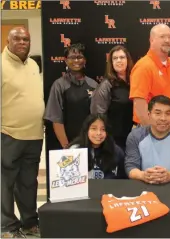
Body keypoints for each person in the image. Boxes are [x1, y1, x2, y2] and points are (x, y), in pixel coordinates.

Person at [1, 27, 44, 238]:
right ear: (8, 42)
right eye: (16, 38)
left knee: (28, 183)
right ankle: (7, 226)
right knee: (5, 183)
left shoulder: (34, 64)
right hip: (8, 134)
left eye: (25, 39)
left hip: (34, 136)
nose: (22, 42)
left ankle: (29, 223)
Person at [125, 95, 170, 184]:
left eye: (168, 113)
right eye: (158, 113)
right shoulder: (135, 136)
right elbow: (130, 166)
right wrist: (143, 175)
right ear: (149, 115)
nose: (163, 118)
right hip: (143, 186)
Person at [129, 24, 170, 128]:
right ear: (151, 40)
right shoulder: (143, 66)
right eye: (162, 37)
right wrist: (155, 134)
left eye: (169, 37)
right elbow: (139, 104)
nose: (167, 40)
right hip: (151, 131)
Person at [44, 43, 98, 149]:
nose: (76, 61)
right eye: (72, 57)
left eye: (79, 57)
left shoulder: (93, 85)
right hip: (66, 144)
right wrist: (67, 147)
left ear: (85, 60)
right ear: (65, 60)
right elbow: (56, 119)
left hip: (89, 142)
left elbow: (97, 117)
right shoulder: (59, 85)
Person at [90, 45, 134, 150]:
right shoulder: (106, 85)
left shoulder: (135, 81)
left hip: (135, 137)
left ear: (128, 60)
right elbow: (98, 115)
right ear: (111, 63)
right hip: (115, 140)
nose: (119, 60)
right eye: (115, 58)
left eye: (122, 57)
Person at [68, 114, 126, 179]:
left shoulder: (116, 151)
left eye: (103, 129)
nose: (98, 133)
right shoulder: (74, 150)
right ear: (86, 130)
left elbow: (123, 178)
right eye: (94, 128)